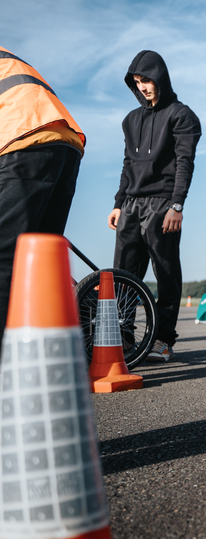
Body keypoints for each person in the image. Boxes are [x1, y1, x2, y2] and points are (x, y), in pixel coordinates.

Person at [107, 50, 201, 362]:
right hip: (131, 205)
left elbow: (185, 162)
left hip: (162, 204)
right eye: (137, 82)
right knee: (123, 274)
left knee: (166, 272)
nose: (143, 87)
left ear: (160, 77)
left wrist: (177, 205)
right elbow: (127, 164)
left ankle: (163, 339)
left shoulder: (181, 115)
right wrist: (119, 203)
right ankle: (121, 340)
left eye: (146, 80)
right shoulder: (130, 120)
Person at [0, 46, 85, 346]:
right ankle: (44, 356)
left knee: (5, 258)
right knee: (40, 259)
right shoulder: (6, 56)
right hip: (65, 140)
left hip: (25, 138)